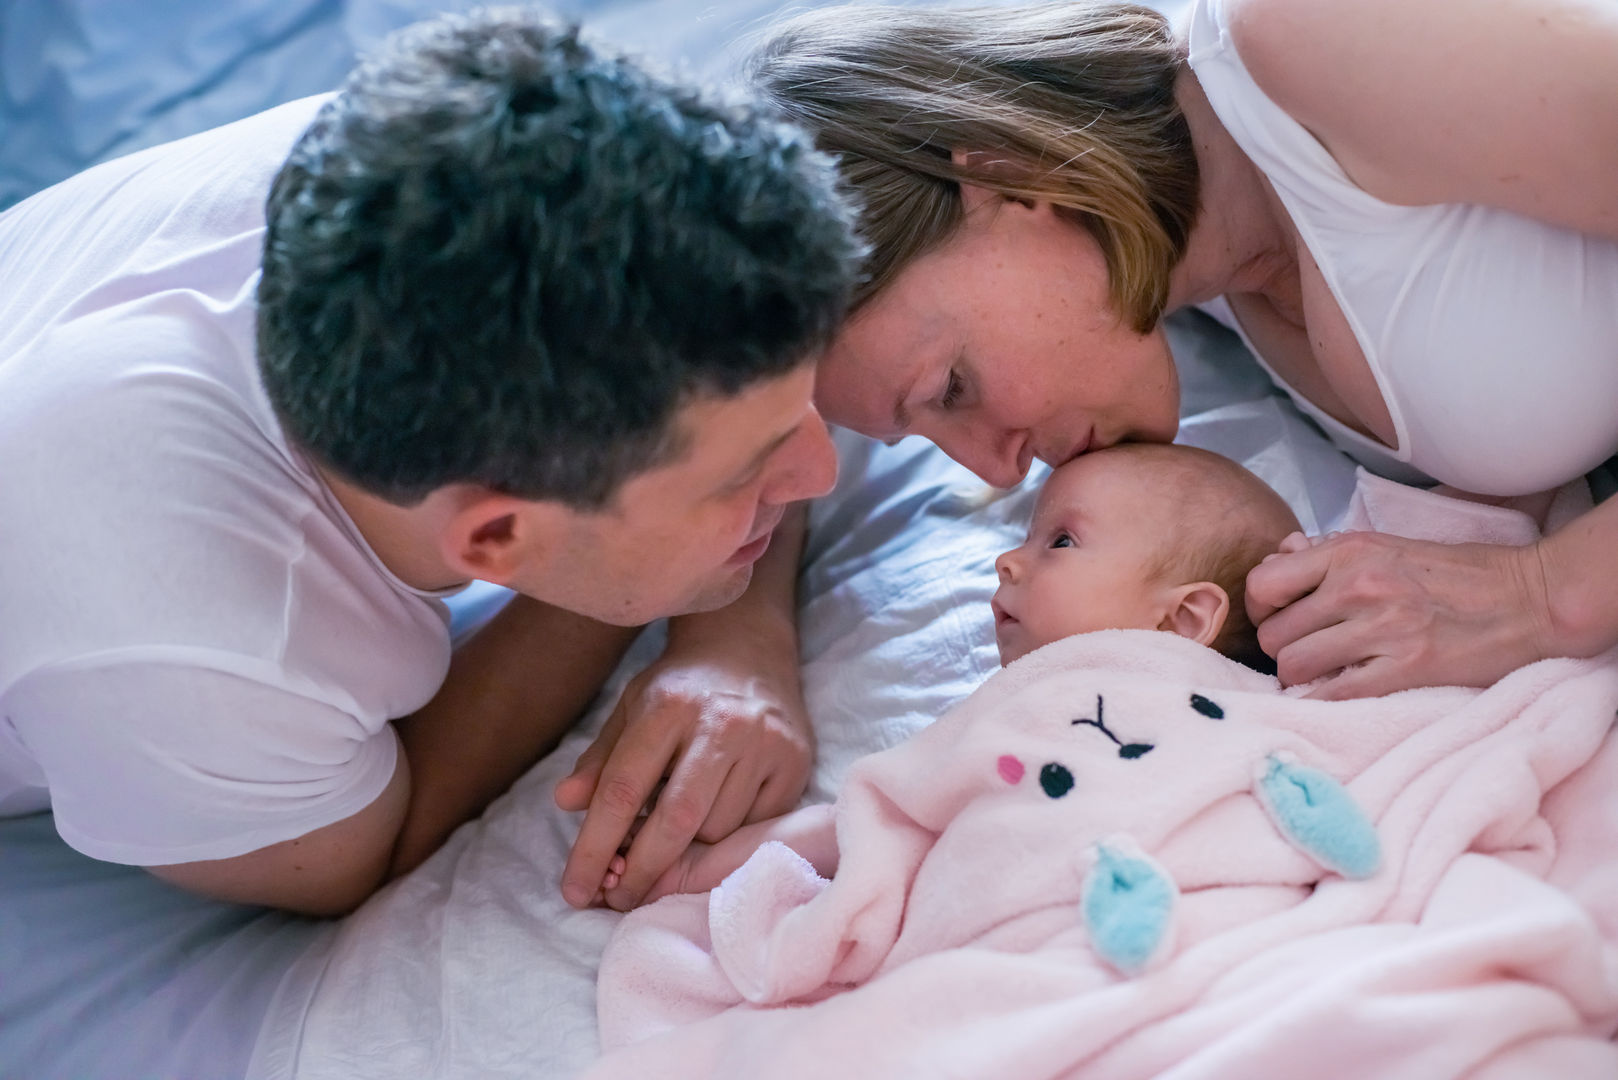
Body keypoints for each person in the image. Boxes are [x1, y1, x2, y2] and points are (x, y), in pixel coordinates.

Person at [0, 9, 864, 916]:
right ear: (495, 539)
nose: (824, 469)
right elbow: (366, 850)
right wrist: (670, 598)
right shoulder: (204, 656)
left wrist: (733, 637)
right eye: (745, 475)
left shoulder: (443, 159)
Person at [744, 0, 1618, 701]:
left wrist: (1550, 595)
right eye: (922, 432)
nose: (1000, 470)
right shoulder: (1176, 275)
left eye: (950, 388)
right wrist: (739, 649)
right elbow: (752, 438)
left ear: (1009, 177)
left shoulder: (1314, 41)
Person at [601, 441, 1302, 899]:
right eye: (1027, 536)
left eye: (1061, 541)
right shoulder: (1010, 714)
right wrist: (692, 873)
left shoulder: (1278, 710)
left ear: (1183, 620)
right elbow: (868, 819)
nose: (1008, 561)